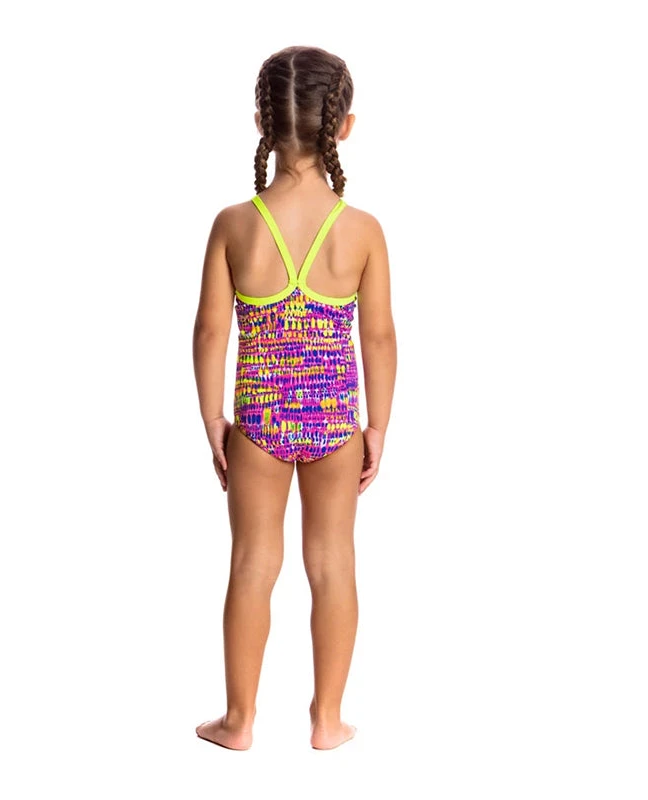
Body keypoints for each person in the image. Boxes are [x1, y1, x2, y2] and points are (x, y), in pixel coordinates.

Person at [192, 45, 397, 751]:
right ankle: (328, 719)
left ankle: (239, 721)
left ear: (261, 122)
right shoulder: (361, 230)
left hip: (258, 422)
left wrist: (213, 418)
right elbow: (379, 338)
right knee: (333, 563)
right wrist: (377, 426)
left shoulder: (235, 224)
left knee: (252, 563)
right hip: (336, 422)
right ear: (343, 126)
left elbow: (211, 330)